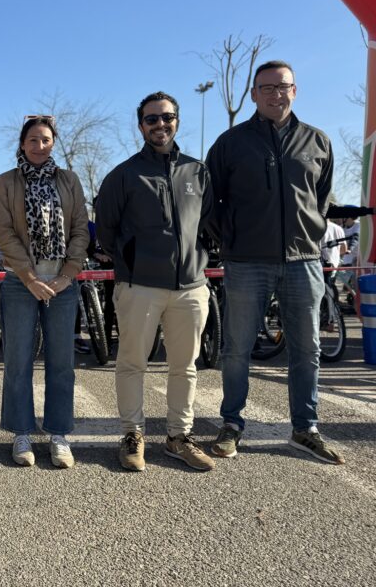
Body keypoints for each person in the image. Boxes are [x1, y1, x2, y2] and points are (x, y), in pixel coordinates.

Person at [206, 60, 344, 465]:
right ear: (253, 94)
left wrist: (310, 235)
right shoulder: (230, 143)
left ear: (295, 90)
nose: (275, 94)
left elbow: (320, 200)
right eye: (266, 87)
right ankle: (231, 424)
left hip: (303, 261)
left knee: (307, 349)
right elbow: (211, 201)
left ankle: (305, 428)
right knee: (236, 348)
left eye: (283, 86)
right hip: (247, 261)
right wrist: (230, 239)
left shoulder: (317, 141)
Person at [96, 91, 215, 472]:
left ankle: (179, 437)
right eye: (151, 119)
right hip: (140, 286)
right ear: (140, 125)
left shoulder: (198, 172)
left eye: (166, 118)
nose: (159, 125)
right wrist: (132, 262)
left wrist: (198, 259)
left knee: (186, 366)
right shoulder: (124, 175)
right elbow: (107, 231)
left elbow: (209, 222)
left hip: (192, 287)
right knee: (132, 363)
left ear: (177, 120)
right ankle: (133, 434)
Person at [0, 116, 89, 468]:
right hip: (20, 282)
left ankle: (59, 435)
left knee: (62, 362)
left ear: (53, 143)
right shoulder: (6, 182)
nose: (40, 145)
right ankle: (21, 433)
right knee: (18, 360)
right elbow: (3, 233)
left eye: (46, 139)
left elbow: (80, 228)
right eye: (33, 140)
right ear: (22, 144)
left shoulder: (69, 181)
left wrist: (67, 274)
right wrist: (30, 277)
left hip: (62, 282)